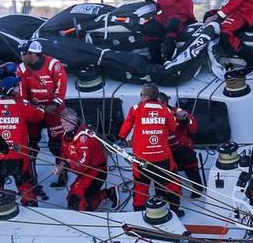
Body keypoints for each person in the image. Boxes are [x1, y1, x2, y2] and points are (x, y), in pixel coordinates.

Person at [118, 83, 182, 214]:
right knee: (171, 183)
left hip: (142, 158)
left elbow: (126, 127)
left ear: (145, 96)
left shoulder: (136, 108)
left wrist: (122, 137)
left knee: (141, 185)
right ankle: (175, 209)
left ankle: (139, 211)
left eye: (141, 95)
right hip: (162, 157)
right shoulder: (165, 109)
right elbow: (172, 128)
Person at [15, 40, 68, 190]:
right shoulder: (21, 68)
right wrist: (28, 107)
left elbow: (61, 86)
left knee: (57, 144)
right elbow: (21, 92)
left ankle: (62, 174)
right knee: (31, 145)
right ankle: (32, 177)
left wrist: (55, 104)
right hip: (34, 110)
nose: (22, 56)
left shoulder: (54, 65)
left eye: (24, 54)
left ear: (33, 54)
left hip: (54, 110)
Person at [0, 94, 38, 207]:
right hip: (18, 156)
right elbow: (38, 116)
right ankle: (31, 206)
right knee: (24, 184)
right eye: (16, 86)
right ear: (12, 90)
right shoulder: (21, 105)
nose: (19, 88)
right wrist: (37, 106)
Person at [54, 108, 112, 211]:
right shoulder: (66, 134)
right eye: (62, 121)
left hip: (96, 171)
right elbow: (64, 153)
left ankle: (88, 215)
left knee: (78, 201)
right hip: (83, 172)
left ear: (75, 120)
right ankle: (108, 193)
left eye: (67, 121)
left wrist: (65, 166)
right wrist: (60, 163)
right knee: (72, 197)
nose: (64, 124)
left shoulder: (83, 137)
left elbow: (83, 164)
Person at [143, 0, 196, 64]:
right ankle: (155, 61)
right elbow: (156, 4)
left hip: (181, 15)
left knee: (171, 27)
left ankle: (168, 59)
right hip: (167, 15)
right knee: (150, 27)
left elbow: (167, 0)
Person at [157, 92, 204, 198]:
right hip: (163, 148)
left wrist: (186, 119)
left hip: (180, 146)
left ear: (165, 103)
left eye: (158, 103)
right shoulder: (151, 115)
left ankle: (198, 187)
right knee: (163, 169)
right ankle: (163, 192)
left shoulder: (177, 112)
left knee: (190, 163)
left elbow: (193, 128)